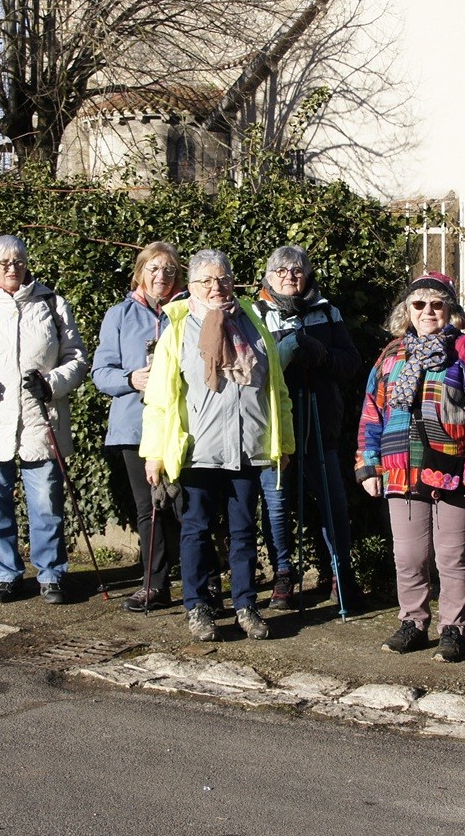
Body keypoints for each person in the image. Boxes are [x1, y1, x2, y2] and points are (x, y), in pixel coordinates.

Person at [140, 250, 294, 642]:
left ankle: (245, 605)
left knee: (243, 531)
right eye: (206, 281)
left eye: (223, 279)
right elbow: (159, 397)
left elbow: (276, 389)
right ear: (191, 287)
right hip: (199, 450)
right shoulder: (178, 328)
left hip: (248, 446)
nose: (216, 287)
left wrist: (284, 442)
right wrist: (154, 453)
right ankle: (198, 606)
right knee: (196, 530)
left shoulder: (252, 322)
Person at [357, 272, 465, 663]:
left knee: (451, 555)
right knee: (408, 555)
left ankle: (453, 628)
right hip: (400, 467)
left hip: (453, 467)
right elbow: (372, 412)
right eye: (419, 304)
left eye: (436, 304)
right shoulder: (390, 355)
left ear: (450, 310)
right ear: (407, 310)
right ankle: (413, 622)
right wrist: (368, 465)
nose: (427, 311)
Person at [0, 235, 89, 605]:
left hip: (40, 418)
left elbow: (77, 356)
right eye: (4, 263)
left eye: (19, 260)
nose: (13, 267)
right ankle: (7, 574)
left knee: (46, 502)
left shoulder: (52, 304)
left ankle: (51, 574)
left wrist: (52, 383)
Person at [252, 245, 365, 612]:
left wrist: (321, 354)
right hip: (275, 428)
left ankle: (341, 574)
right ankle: (283, 575)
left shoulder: (327, 312)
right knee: (277, 504)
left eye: (297, 271)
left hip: (321, 423)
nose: (290, 276)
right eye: (281, 270)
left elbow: (350, 363)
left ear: (307, 276)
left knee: (333, 502)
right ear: (268, 276)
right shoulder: (254, 314)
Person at [93, 241, 186, 612]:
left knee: (187, 504)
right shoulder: (119, 315)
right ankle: (155, 584)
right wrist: (132, 379)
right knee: (149, 507)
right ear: (140, 272)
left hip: (182, 423)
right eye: (153, 269)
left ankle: (203, 581)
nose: (161, 276)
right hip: (134, 425)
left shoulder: (187, 311)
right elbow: (101, 373)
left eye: (168, 270)